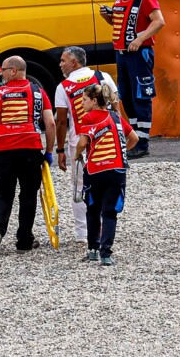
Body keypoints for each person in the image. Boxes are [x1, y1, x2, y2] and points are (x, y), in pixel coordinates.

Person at [0, 55, 56, 258]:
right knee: (29, 195)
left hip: (4, 150)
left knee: (3, 194)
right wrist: (49, 151)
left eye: (3, 70)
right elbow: (50, 124)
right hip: (31, 149)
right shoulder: (38, 92)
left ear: (13, 71)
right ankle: (24, 239)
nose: (1, 74)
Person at [99, 0, 165, 158]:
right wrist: (107, 16)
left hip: (139, 55)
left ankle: (143, 143)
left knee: (141, 96)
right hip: (122, 55)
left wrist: (140, 38)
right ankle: (135, 138)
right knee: (126, 97)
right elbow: (120, 23)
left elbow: (159, 21)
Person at [54, 46, 119, 244]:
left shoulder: (63, 86)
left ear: (74, 62)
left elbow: (61, 121)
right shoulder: (103, 76)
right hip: (107, 138)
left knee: (80, 186)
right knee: (107, 183)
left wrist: (60, 149)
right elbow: (116, 106)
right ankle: (105, 226)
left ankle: (83, 233)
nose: (60, 64)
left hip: (79, 142)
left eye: (63, 60)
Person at [73, 82, 138, 266]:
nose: (82, 103)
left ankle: (92, 249)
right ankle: (106, 253)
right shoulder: (116, 117)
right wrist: (122, 149)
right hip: (117, 169)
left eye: (84, 100)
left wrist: (77, 155)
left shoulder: (88, 118)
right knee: (110, 212)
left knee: (93, 208)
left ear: (94, 101)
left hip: (95, 170)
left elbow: (82, 142)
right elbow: (134, 138)